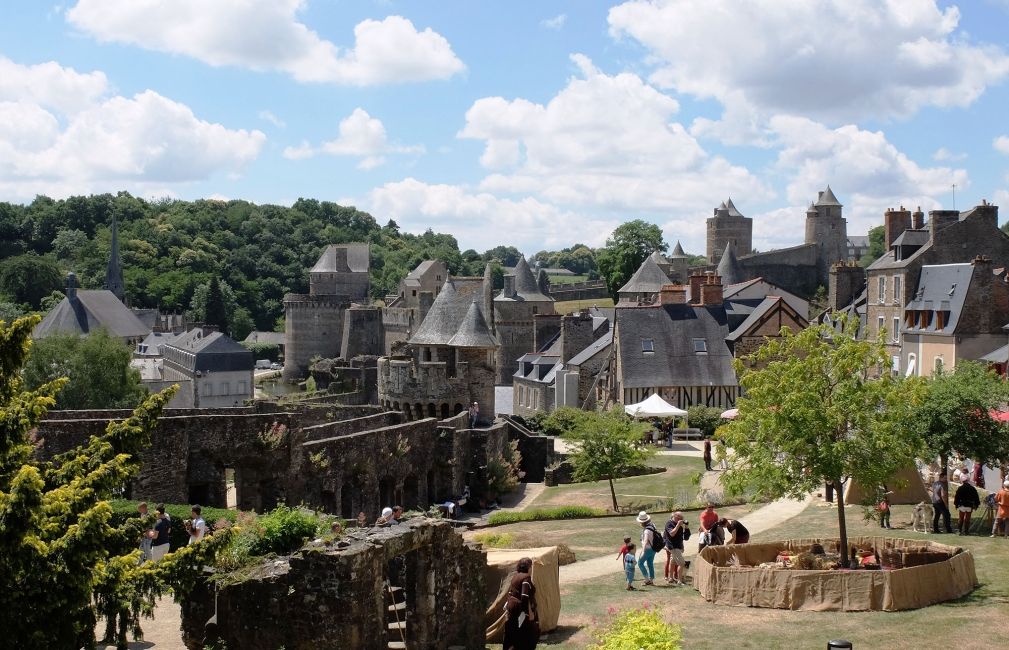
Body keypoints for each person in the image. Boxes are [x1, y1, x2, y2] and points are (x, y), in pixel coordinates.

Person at [502, 557, 539, 650]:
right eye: (531, 566)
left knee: (513, 630)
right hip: (520, 609)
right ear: (529, 567)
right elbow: (524, 596)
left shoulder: (516, 576)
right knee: (526, 632)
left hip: (512, 607)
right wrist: (526, 612)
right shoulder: (526, 578)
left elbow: (511, 592)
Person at [636, 511, 659, 586]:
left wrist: (643, 551)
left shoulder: (646, 530)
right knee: (650, 563)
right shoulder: (652, 525)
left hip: (647, 549)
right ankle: (651, 579)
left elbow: (645, 541)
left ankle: (647, 579)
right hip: (654, 548)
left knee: (640, 563)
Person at [664, 512, 687, 585]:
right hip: (673, 547)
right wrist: (678, 525)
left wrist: (686, 527)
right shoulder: (669, 523)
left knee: (673, 561)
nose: (681, 520)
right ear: (676, 517)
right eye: (680, 518)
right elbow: (672, 534)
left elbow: (681, 537)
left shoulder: (679, 525)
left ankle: (671, 578)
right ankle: (679, 581)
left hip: (678, 546)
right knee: (682, 563)